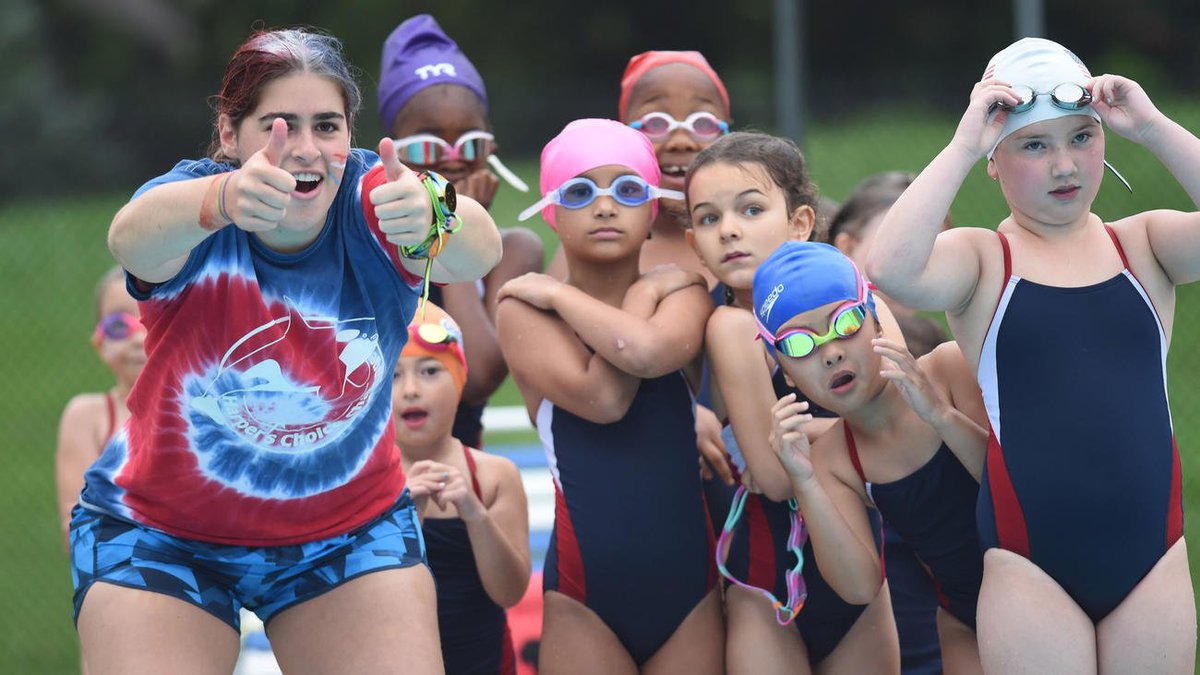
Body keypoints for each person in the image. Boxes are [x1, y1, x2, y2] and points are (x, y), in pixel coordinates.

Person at [69, 27, 502, 674]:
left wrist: (436, 216)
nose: (304, 149)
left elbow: (483, 247)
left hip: (348, 534)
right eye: (279, 125)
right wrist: (219, 201)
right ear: (229, 135)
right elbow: (129, 240)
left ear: (349, 133)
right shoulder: (195, 200)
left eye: (326, 126)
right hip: (162, 534)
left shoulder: (379, 196)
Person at [866, 37, 1198, 672]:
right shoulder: (984, 261)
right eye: (1034, 145)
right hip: (1031, 568)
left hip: (1151, 559)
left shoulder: (1146, 245)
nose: (1065, 165)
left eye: (1082, 137)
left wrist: (1154, 128)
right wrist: (964, 143)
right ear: (996, 158)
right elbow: (891, 268)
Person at [498, 119, 722, 674]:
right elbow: (603, 399)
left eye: (627, 189)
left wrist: (589, 291)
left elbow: (645, 356)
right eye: (579, 191)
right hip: (584, 596)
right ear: (552, 210)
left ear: (652, 209)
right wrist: (639, 293)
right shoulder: (523, 310)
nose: (604, 206)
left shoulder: (684, 291)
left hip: (689, 591)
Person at [684, 132, 900, 673]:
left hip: (858, 574)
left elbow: (902, 421)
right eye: (709, 219)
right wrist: (859, 433)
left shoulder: (855, 292)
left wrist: (807, 437)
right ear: (695, 243)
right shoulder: (732, 327)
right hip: (765, 582)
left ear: (800, 224)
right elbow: (777, 476)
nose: (729, 228)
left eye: (751, 209)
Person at [757, 241, 989, 674]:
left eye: (844, 322)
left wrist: (942, 417)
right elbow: (860, 586)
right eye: (800, 345)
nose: (830, 352)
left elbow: (1021, 494)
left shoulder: (950, 370)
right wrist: (804, 481)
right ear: (786, 373)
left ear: (877, 322)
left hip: (1046, 581)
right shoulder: (833, 461)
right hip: (965, 619)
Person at [379, 14, 545, 448]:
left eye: (470, 144)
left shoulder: (515, 251)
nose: (452, 161)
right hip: (370, 475)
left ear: (491, 149)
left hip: (461, 475)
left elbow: (478, 379)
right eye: (429, 148)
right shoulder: (368, 244)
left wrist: (453, 232)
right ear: (391, 150)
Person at [392, 303, 531, 674]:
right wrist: (403, 514)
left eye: (430, 371)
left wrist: (475, 514)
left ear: (458, 381)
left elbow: (510, 593)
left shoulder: (493, 477)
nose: (410, 390)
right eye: (393, 375)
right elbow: (359, 604)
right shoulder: (362, 481)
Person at [56, 267, 146, 554]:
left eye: (152, 317)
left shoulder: (211, 407)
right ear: (99, 341)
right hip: (123, 573)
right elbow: (74, 527)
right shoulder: (88, 417)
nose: (137, 338)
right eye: (120, 326)